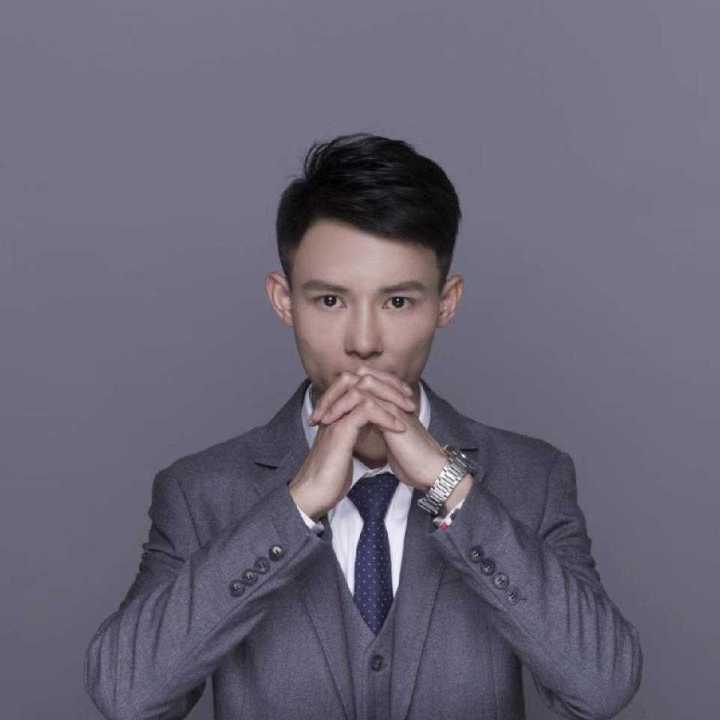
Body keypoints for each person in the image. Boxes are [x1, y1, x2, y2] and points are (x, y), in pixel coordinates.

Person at [84, 133, 642, 720]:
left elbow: (601, 686)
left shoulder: (532, 477)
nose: (364, 342)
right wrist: (297, 505)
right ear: (284, 301)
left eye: (398, 302)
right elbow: (127, 696)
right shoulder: (200, 492)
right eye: (330, 301)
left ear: (446, 303)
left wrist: (448, 485)